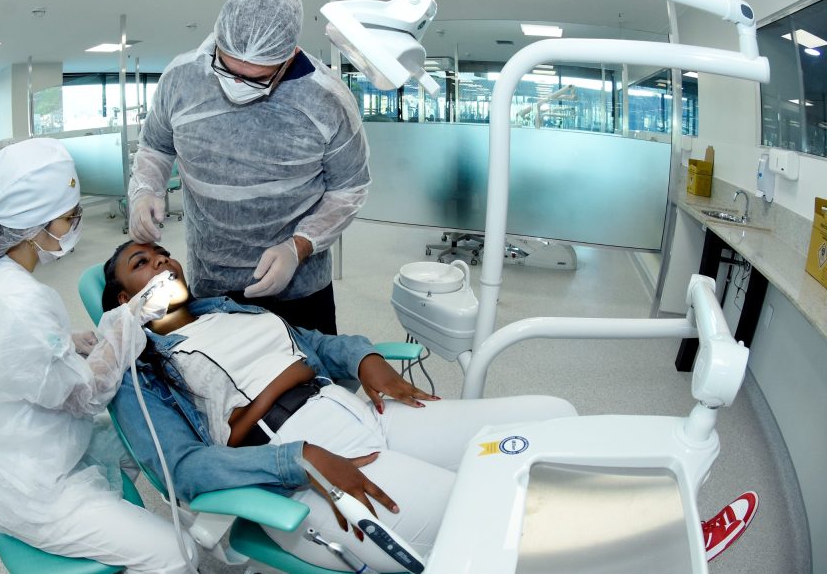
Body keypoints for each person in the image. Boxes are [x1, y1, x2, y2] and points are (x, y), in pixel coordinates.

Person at [102, 240, 760, 570]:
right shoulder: (141, 369)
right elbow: (182, 470)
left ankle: (644, 523)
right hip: (307, 472)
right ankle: (653, 547)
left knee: (553, 413)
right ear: (122, 301)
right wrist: (296, 458)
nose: (159, 261)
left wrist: (365, 359)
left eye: (160, 252)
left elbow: (316, 344)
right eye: (139, 263)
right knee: (495, 508)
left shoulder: (226, 308)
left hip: (360, 413)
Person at [0, 139, 195, 574]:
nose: (77, 223)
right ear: (32, 226)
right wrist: (130, 319)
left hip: (21, 437)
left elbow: (11, 352)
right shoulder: (21, 303)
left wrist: (66, 343)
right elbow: (85, 396)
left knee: (146, 437)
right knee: (178, 552)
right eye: (69, 216)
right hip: (33, 489)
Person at [127, 0, 370, 335]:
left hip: (299, 288)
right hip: (211, 281)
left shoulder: (327, 101)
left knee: (310, 364)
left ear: (289, 57)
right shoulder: (181, 79)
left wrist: (299, 247)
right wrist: (146, 189)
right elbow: (156, 146)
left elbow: (349, 188)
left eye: (256, 78)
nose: (237, 84)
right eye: (227, 69)